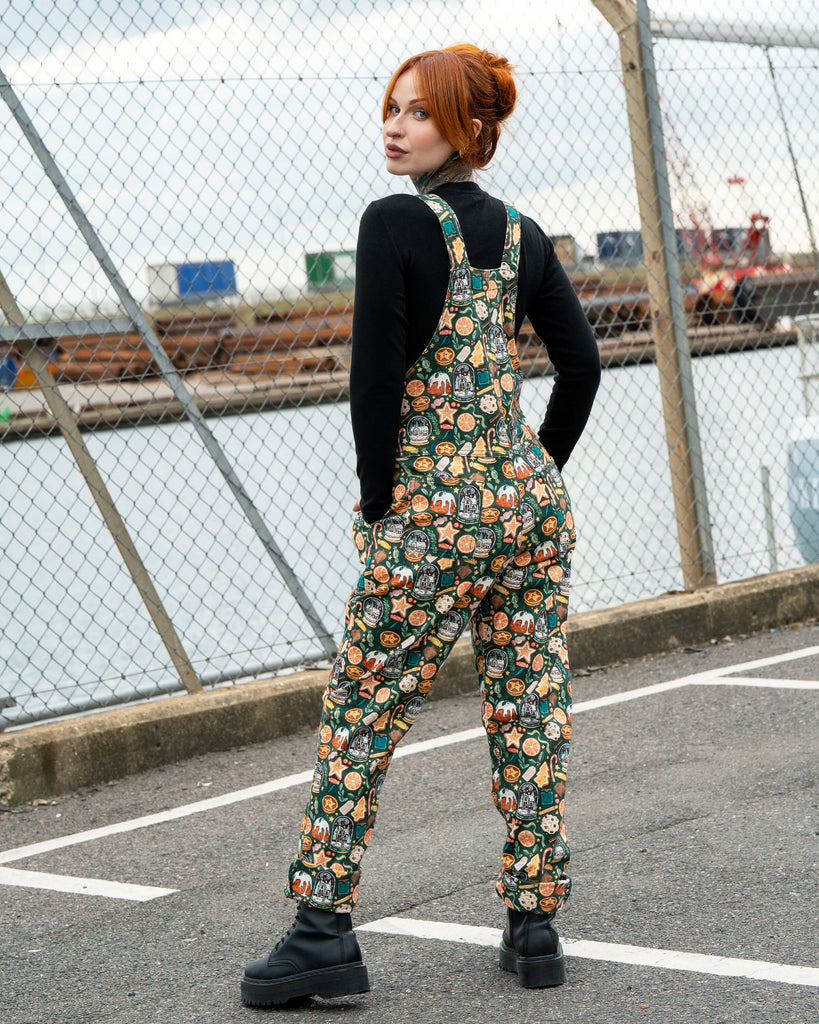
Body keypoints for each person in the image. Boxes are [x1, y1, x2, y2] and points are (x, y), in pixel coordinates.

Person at [241, 43, 600, 1007]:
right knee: (530, 710)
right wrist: (526, 474)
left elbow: (374, 380)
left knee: (362, 711)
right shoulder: (523, 235)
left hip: (427, 518)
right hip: (524, 510)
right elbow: (582, 369)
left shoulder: (393, 223)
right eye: (390, 108)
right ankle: (534, 926)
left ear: (466, 128)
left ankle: (321, 930)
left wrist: (378, 497)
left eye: (415, 112)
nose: (393, 126)